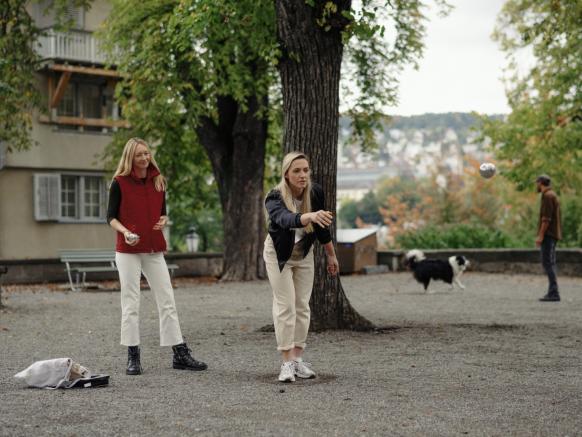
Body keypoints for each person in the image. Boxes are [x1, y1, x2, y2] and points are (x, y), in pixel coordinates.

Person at [107, 138, 207, 374]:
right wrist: (126, 232)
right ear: (130, 157)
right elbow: (110, 217)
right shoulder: (119, 182)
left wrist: (163, 220)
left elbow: (162, 214)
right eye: (139, 155)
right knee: (130, 302)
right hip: (128, 250)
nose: (144, 158)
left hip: (153, 249)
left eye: (146, 154)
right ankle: (133, 355)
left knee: (167, 300)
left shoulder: (158, 182)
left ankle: (180, 353)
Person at [263, 151, 340, 383]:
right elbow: (286, 220)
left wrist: (331, 256)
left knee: (302, 306)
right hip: (279, 255)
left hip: (304, 254)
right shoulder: (274, 197)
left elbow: (322, 228)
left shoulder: (315, 192)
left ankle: (297, 360)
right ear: (286, 174)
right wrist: (309, 216)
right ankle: (286, 363)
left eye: (306, 170)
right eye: (297, 170)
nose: (303, 175)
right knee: (285, 306)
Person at [535, 174, 562, 302]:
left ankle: (554, 293)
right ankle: (553, 292)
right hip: (552, 234)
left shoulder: (547, 196)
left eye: (537, 183)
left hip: (549, 235)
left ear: (541, 183)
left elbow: (546, 219)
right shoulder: (551, 195)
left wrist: (540, 236)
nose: (536, 186)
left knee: (548, 263)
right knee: (549, 263)